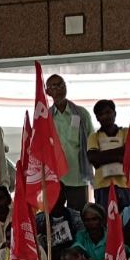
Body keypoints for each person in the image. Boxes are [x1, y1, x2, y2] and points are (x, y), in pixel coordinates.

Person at [46, 74, 94, 210]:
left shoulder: (81, 113)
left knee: (79, 216)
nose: (59, 89)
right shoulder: (45, 117)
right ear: (47, 91)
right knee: (56, 216)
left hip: (77, 176)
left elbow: (92, 142)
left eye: (61, 85)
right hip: (54, 177)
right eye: (54, 86)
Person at [87, 99, 130, 210]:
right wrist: (119, 154)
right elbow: (93, 158)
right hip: (102, 187)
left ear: (115, 113)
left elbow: (129, 154)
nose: (106, 116)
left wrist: (102, 155)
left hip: (124, 185)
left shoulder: (126, 132)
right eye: (101, 114)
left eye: (108, 112)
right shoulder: (93, 136)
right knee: (104, 218)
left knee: (125, 217)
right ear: (97, 118)